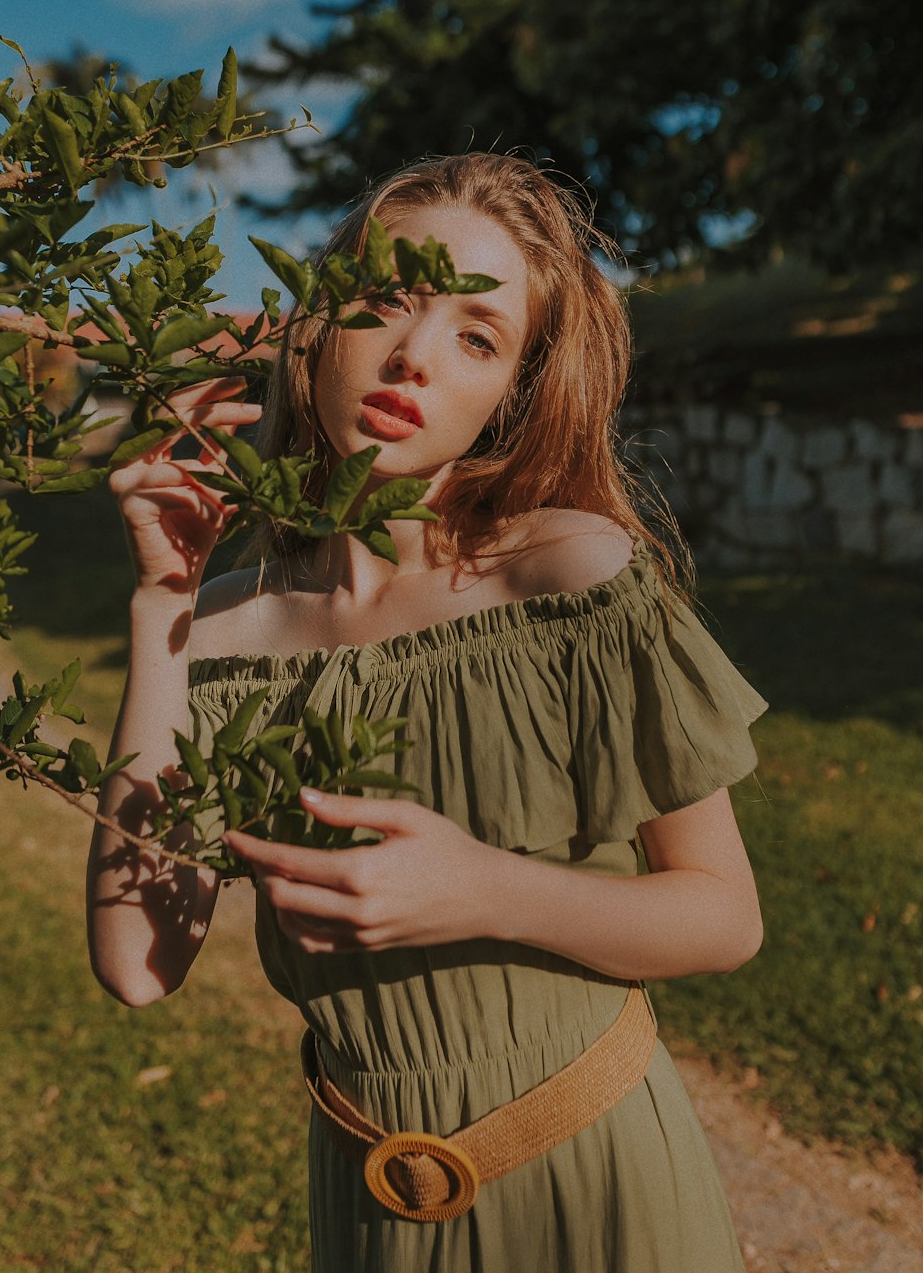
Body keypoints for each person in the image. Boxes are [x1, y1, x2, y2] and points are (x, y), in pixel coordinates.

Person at [88, 152, 767, 1272]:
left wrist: (482, 888)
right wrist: (163, 605)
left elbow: (722, 917)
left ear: (513, 391)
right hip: (371, 1200)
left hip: (595, 1175)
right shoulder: (215, 637)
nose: (412, 356)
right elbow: (138, 964)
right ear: (314, 331)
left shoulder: (572, 580)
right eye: (386, 302)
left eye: (476, 335)